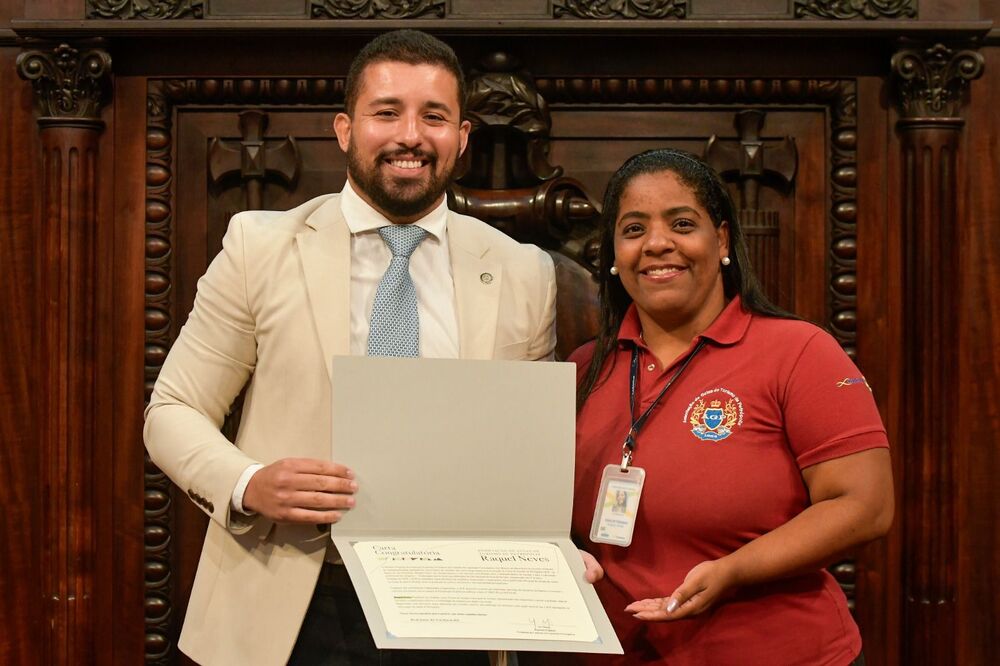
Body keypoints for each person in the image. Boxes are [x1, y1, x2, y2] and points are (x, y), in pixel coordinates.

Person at [144, 30, 556, 666]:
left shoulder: (522, 270)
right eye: (386, 112)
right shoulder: (259, 248)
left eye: (434, 117)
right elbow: (172, 410)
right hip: (293, 597)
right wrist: (250, 484)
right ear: (345, 129)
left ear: (463, 137)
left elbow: (527, 455)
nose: (410, 136)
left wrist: (551, 557)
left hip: (458, 606)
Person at [562, 149, 893, 665]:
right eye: (633, 229)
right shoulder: (583, 369)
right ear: (613, 253)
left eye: (682, 223)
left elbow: (865, 507)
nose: (656, 243)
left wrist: (734, 570)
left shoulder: (799, 352)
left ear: (720, 241)